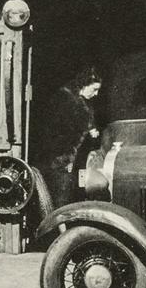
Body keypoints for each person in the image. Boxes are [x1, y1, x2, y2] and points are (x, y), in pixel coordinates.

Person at [33, 67, 102, 208]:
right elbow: (59, 134)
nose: (96, 94)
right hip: (59, 161)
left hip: (71, 161)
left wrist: (91, 128)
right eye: (94, 89)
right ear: (84, 84)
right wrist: (66, 160)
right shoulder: (66, 101)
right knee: (60, 199)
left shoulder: (81, 101)